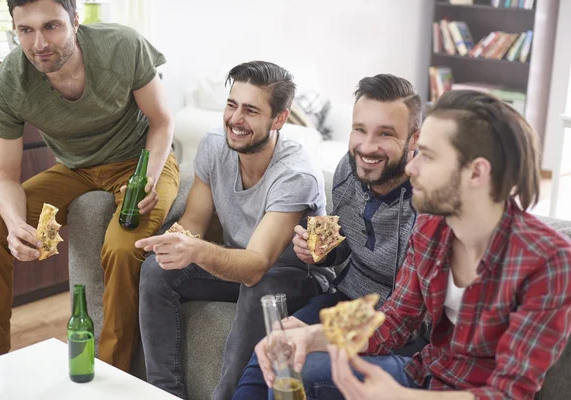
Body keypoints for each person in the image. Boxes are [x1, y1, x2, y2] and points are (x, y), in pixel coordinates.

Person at [255, 89, 571, 400]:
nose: (410, 168)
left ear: (476, 172)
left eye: (428, 157)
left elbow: (510, 392)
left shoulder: (549, 260)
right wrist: (309, 337)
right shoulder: (431, 227)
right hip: (424, 375)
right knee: (297, 368)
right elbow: (393, 322)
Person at [0, 0, 180, 372]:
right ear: (15, 31)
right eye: (26, 31)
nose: (39, 44)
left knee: (121, 245)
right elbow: (4, 176)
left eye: (51, 26)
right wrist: (17, 224)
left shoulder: (122, 46)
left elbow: (162, 121)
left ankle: (112, 370)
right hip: (75, 169)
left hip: (139, 160)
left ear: (75, 22)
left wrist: (147, 176)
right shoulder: (11, 82)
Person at [135, 60, 333, 399]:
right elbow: (194, 224)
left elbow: (256, 266)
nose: (235, 119)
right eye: (231, 105)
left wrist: (196, 250)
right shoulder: (214, 146)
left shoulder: (295, 175)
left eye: (251, 111)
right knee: (156, 269)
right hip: (240, 267)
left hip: (294, 278)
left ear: (279, 119)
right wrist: (174, 242)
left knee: (263, 286)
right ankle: (164, 392)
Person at [234, 74, 427, 398]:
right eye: (360, 130)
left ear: (414, 138)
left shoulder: (427, 200)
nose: (367, 147)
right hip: (344, 299)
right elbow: (347, 244)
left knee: (297, 367)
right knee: (270, 353)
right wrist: (322, 252)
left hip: (397, 324)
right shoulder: (347, 170)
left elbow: (415, 315)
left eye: (386, 134)